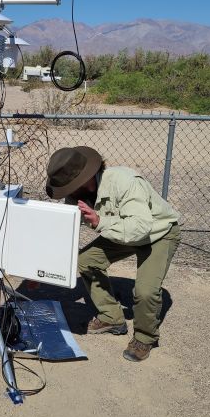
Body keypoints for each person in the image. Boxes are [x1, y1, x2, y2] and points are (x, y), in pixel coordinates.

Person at [45, 146, 181, 362]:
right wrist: (41, 266)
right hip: (122, 231)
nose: (67, 194)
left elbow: (140, 227)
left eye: (69, 188)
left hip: (158, 232)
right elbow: (63, 231)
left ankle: (145, 338)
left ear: (84, 180)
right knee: (87, 261)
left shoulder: (124, 181)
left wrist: (100, 221)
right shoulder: (77, 195)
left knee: (145, 292)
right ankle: (112, 318)